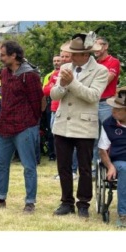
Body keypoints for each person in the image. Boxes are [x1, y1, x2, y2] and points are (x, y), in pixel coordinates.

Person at [0, 40, 43, 213]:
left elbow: (37, 103)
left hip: (25, 126)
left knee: (28, 166)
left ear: (14, 55)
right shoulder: (5, 73)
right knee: (1, 163)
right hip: (5, 125)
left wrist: (32, 124)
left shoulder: (30, 75)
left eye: (3, 55)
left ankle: (30, 202)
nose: (0, 58)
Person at [51, 33, 108, 218]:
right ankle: (66, 202)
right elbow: (54, 95)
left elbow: (93, 96)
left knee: (84, 168)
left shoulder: (100, 71)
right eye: (70, 53)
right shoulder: (66, 67)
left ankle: (83, 203)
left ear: (86, 55)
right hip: (62, 124)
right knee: (63, 167)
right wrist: (62, 86)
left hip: (84, 125)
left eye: (74, 54)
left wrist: (72, 83)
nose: (70, 57)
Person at [43, 49, 79, 180]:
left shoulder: (76, 72)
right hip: (54, 110)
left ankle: (73, 170)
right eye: (60, 57)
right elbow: (46, 90)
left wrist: (57, 87)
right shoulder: (53, 74)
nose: (62, 59)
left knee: (72, 140)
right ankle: (63, 170)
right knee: (59, 141)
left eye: (65, 57)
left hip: (70, 110)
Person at [98, 89, 126, 228]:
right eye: (113, 109)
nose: (113, 112)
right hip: (119, 160)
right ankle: (123, 214)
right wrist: (110, 166)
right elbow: (102, 149)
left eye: (118, 110)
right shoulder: (108, 124)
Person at [92, 37, 121, 169]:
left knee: (107, 136)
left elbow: (105, 81)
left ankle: (109, 166)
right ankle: (95, 168)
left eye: (98, 45)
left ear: (106, 46)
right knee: (92, 137)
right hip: (92, 103)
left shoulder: (113, 61)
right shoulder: (93, 63)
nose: (95, 49)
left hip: (105, 104)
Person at [42, 55, 62, 161]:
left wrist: (53, 87)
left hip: (62, 105)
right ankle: (52, 153)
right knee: (51, 131)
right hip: (51, 104)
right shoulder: (50, 75)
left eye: (58, 60)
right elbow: (45, 91)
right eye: (54, 61)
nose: (56, 62)